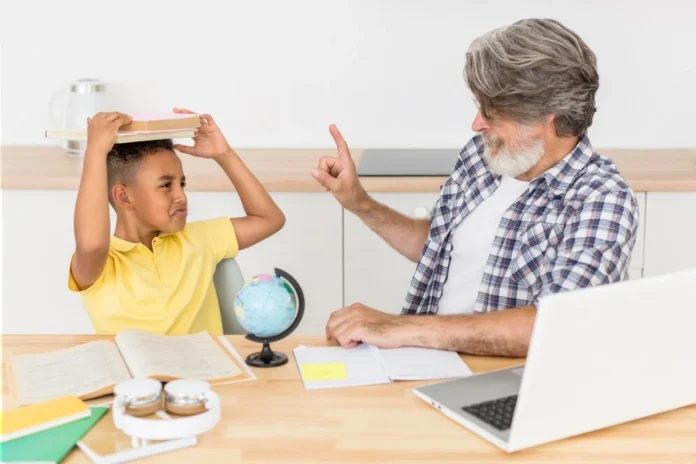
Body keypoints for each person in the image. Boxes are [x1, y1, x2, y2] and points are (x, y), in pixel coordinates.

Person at [312, 18, 639, 357]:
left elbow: (557, 324)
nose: (477, 123)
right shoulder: (484, 155)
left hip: (510, 383)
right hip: (426, 360)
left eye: (493, 112)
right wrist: (359, 202)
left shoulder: (602, 199)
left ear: (547, 115)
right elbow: (440, 247)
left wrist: (400, 327)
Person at [68, 108, 285, 335]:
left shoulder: (199, 240)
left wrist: (225, 154)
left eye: (182, 184)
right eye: (165, 185)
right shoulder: (102, 264)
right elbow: (91, 244)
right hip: (134, 372)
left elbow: (269, 219)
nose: (181, 196)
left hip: (205, 369)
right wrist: (95, 150)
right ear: (124, 197)